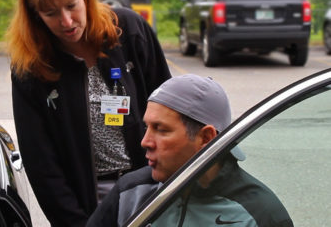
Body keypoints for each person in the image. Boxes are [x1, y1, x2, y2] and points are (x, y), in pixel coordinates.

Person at [5, 0, 171, 227]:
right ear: (35, 16)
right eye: (51, 13)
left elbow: (171, 113)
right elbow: (42, 164)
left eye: (72, 5)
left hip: (152, 191)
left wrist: (172, 188)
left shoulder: (129, 31)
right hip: (86, 206)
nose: (67, 21)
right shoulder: (31, 68)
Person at [87, 74, 293, 227]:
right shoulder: (130, 193)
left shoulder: (261, 213)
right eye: (146, 127)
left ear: (206, 138)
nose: (145, 141)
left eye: (161, 129)